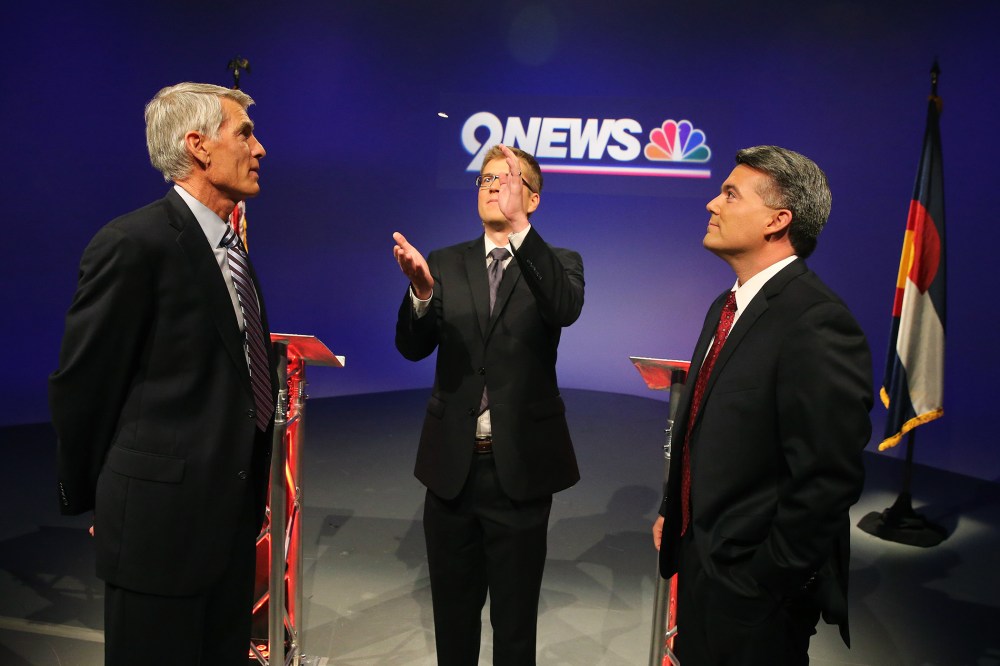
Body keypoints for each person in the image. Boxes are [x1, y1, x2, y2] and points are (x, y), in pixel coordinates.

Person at [49, 82, 276, 666]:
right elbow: (85, 383)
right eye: (245, 134)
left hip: (226, 527)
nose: (260, 150)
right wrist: (98, 497)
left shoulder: (232, 247)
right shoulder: (133, 243)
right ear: (199, 146)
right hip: (157, 533)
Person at [652, 145, 873, 665]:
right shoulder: (725, 305)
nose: (712, 203)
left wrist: (764, 578)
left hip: (755, 599)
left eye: (730, 193)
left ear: (778, 220)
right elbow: (709, 423)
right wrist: (676, 510)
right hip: (703, 566)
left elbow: (827, 478)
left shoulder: (816, 320)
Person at [392, 144, 584, 665]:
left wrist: (520, 228)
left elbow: (564, 309)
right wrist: (422, 295)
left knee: (514, 622)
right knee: (453, 618)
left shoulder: (559, 264)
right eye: (485, 178)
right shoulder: (444, 262)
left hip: (518, 467)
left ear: (533, 198)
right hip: (451, 466)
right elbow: (411, 347)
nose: (493, 186)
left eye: (508, 178)